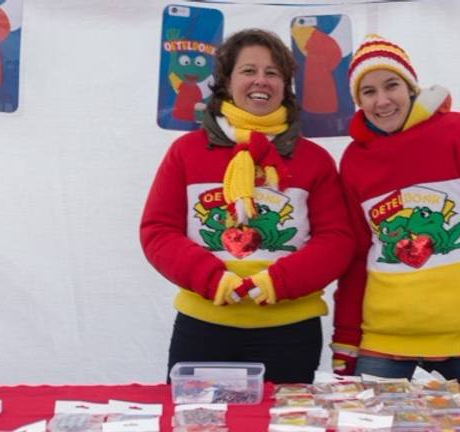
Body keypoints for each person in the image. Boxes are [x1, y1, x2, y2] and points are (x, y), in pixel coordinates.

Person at [140, 29, 354, 384]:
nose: (261, 81)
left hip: (290, 332)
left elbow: (337, 239)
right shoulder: (186, 152)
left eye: (273, 73)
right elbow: (158, 232)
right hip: (204, 328)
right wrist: (212, 279)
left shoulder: (313, 159)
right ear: (226, 81)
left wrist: (279, 282)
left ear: (285, 85)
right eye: (248, 70)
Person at [331, 34, 460, 381]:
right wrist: (346, 337)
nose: (382, 101)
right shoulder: (354, 160)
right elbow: (356, 254)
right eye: (368, 92)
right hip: (385, 337)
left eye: (391, 85)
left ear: (410, 87)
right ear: (358, 101)